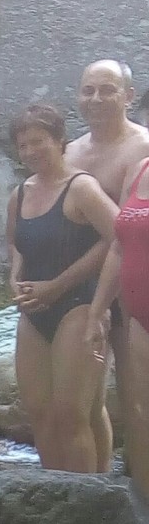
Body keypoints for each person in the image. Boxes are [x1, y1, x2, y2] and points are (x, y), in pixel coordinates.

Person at [6, 102, 117, 472]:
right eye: (23, 146)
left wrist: (56, 286)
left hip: (79, 304)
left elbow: (118, 237)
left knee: (72, 414)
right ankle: (56, 496)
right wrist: (14, 277)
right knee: (39, 413)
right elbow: (16, 245)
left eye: (39, 142)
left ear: (60, 140)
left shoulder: (81, 187)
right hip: (35, 312)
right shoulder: (19, 193)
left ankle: (89, 502)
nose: (31, 152)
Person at [64, 59, 149, 470]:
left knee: (137, 402)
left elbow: (122, 229)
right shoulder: (70, 152)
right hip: (81, 291)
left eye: (107, 90)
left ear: (129, 96)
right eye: (88, 90)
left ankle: (139, 492)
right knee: (89, 399)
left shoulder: (143, 148)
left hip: (132, 288)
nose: (96, 99)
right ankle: (104, 496)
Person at [85, 120, 149, 506]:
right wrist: (96, 311)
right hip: (138, 316)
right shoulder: (143, 168)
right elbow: (119, 247)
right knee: (141, 414)